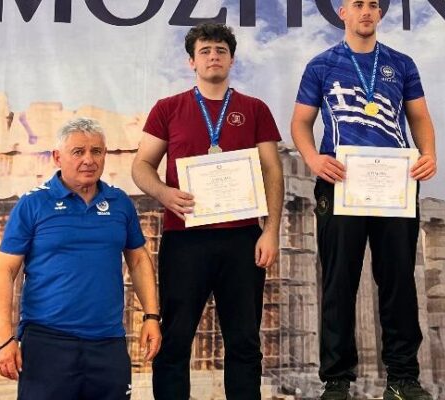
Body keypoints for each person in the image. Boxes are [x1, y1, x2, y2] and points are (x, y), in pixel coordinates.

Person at [290, 1, 437, 399]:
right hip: (340, 181)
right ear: (343, 12)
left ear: (380, 14)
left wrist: (428, 153)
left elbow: (419, 116)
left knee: (398, 282)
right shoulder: (321, 65)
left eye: (373, 4)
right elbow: (301, 122)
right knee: (339, 282)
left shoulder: (401, 63)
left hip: (394, 182)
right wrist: (313, 158)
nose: (367, 11)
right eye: (358, 4)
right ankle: (337, 381)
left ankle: (402, 378)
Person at [132, 23, 283, 400]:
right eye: (205, 51)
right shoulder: (167, 108)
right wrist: (164, 192)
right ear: (191, 62)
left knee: (244, 341)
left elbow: (272, 170)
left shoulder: (255, 108)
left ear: (232, 59)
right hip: (185, 239)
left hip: (242, 239)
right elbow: (141, 166)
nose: (213, 56)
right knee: (174, 339)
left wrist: (271, 230)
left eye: (220, 50)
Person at [0, 117, 161, 400]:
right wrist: (3, 338)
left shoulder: (120, 202)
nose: (89, 160)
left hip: (108, 343)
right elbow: (4, 271)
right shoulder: (32, 204)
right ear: (58, 157)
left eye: (97, 151)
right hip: (47, 342)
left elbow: (139, 260)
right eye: (78, 152)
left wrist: (152, 316)